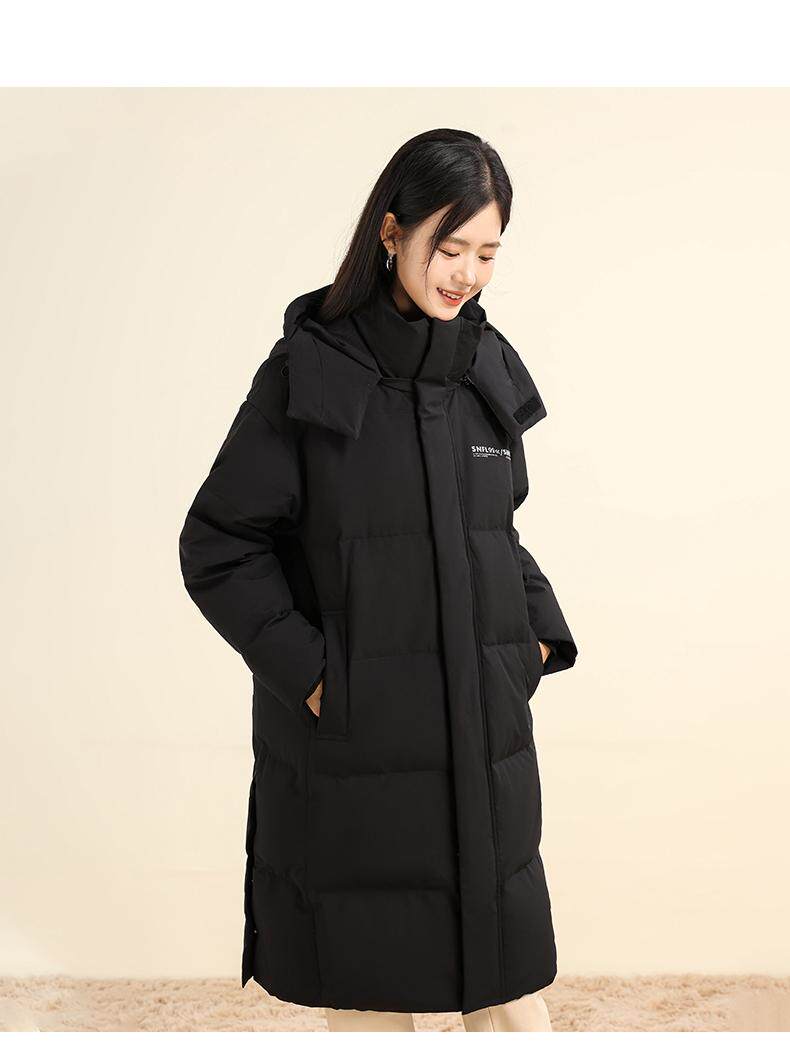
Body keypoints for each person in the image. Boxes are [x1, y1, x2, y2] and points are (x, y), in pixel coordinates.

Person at [178, 128, 578, 1033]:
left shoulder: (484, 370)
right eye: (450, 246)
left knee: (512, 997)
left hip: (483, 739)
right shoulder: (308, 373)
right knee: (372, 999)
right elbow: (219, 543)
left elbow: (496, 530)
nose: (466, 274)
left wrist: (533, 639)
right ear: (392, 233)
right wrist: (318, 675)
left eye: (487, 253)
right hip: (356, 754)